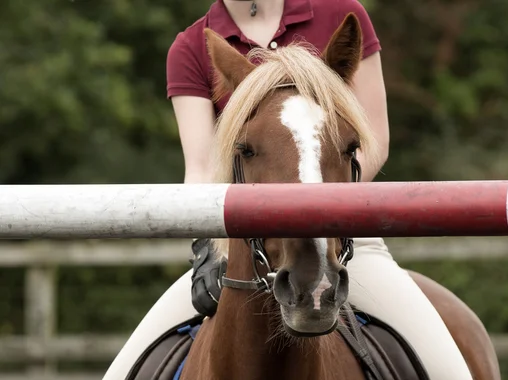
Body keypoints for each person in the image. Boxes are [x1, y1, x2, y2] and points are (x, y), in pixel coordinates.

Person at [102, 1, 474, 379]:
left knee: (449, 370)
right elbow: (200, 167)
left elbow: (373, 141)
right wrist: (208, 248)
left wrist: (324, 209)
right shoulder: (192, 46)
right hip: (240, 246)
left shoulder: (341, 15)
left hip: (348, 237)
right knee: (120, 373)